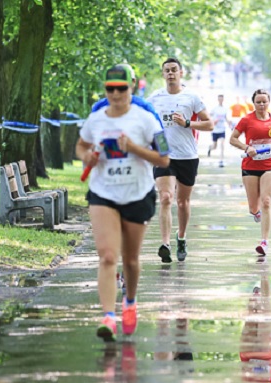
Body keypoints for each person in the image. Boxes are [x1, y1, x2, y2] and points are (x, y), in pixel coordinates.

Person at [76, 64, 170, 341]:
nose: (115, 94)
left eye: (121, 89)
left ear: (132, 87)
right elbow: (81, 145)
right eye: (110, 89)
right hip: (103, 193)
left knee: (130, 260)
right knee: (107, 256)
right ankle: (108, 316)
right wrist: (87, 157)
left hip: (137, 194)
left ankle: (129, 301)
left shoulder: (147, 118)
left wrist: (134, 148)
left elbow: (165, 157)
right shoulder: (96, 117)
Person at [147, 57, 214, 263]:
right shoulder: (154, 98)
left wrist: (187, 123)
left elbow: (209, 124)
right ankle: (165, 244)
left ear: (181, 73)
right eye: (166, 70)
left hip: (186, 154)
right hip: (163, 154)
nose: (170, 73)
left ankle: (181, 237)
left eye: (174, 70)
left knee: (182, 202)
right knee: (166, 197)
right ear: (163, 74)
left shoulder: (191, 97)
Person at [229, 89, 271, 256]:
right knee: (254, 207)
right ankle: (256, 213)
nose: (262, 104)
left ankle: (264, 242)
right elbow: (232, 138)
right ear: (253, 103)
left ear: (269, 102)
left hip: (270, 164)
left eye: (264, 101)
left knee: (267, 201)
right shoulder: (247, 120)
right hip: (250, 166)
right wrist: (247, 148)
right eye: (258, 102)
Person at [91, 64, 161, 127]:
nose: (116, 93)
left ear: (133, 82)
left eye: (121, 87)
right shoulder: (99, 107)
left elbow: (160, 138)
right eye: (111, 88)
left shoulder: (145, 108)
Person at [208, 94, 230, 167]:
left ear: (223, 99)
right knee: (214, 146)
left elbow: (226, 118)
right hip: (215, 130)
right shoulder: (214, 109)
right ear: (218, 99)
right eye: (219, 99)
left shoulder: (225, 109)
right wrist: (213, 121)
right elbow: (208, 116)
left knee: (222, 144)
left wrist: (229, 123)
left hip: (222, 129)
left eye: (222, 99)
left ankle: (221, 160)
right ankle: (210, 148)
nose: (221, 100)